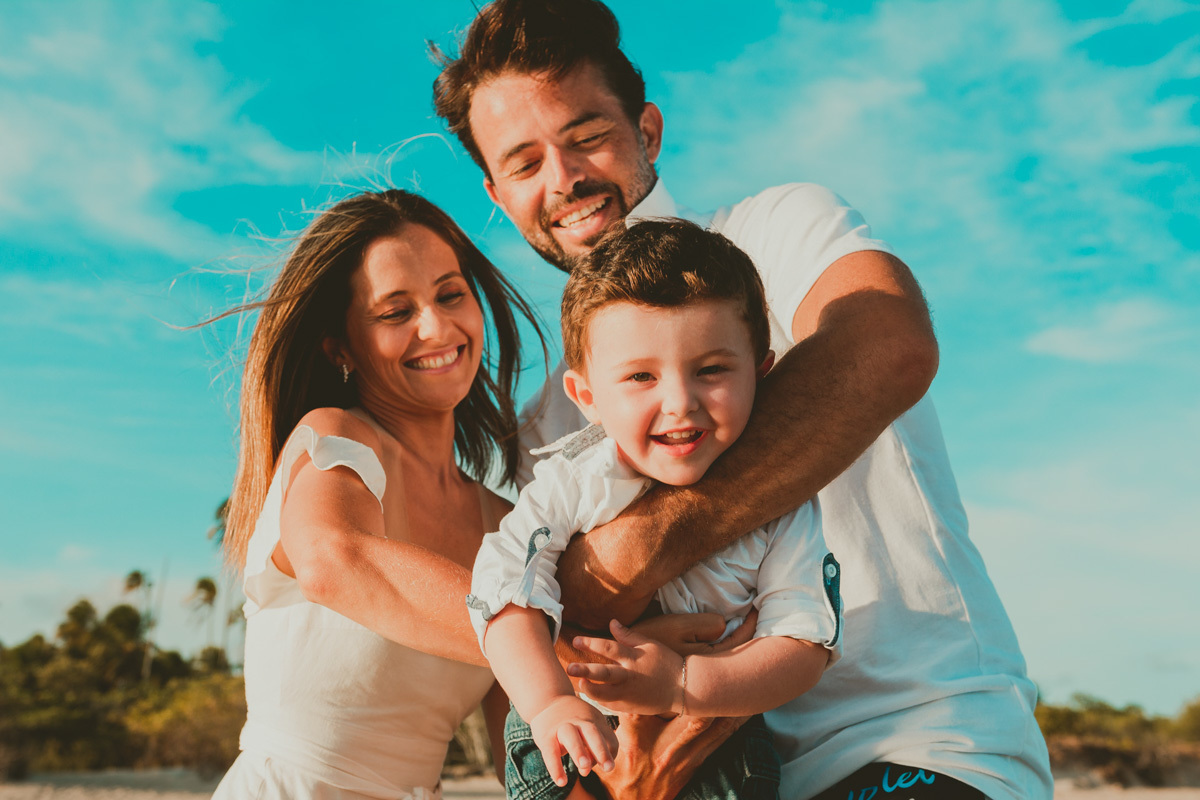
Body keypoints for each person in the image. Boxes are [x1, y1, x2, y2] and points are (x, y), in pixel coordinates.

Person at [430, 2, 1055, 798]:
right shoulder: (549, 425)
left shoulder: (779, 229)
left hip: (917, 736)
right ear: (496, 190)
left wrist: (627, 556)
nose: (564, 178)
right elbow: (539, 656)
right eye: (523, 163)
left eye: (587, 136)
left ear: (647, 132)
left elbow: (887, 342)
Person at [469, 219, 843, 800]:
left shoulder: (781, 501)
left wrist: (683, 683)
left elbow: (805, 645)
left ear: (760, 373)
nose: (679, 402)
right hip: (576, 736)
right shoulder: (574, 480)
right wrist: (548, 702)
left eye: (712, 370)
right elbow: (502, 590)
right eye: (641, 376)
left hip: (724, 747)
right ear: (587, 397)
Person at [210, 189, 544, 799]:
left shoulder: (506, 523)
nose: (437, 327)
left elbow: (515, 741)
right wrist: (552, 642)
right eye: (395, 312)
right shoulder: (334, 439)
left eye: (450, 295)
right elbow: (334, 561)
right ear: (339, 346)